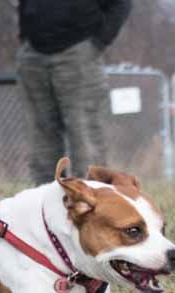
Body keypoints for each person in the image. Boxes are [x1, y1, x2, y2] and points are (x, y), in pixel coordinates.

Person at [17, 0, 132, 184]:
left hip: (78, 53)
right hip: (33, 54)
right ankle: (44, 201)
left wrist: (97, 43)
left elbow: (120, 4)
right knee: (40, 132)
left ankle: (90, 198)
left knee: (84, 132)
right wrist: (25, 38)